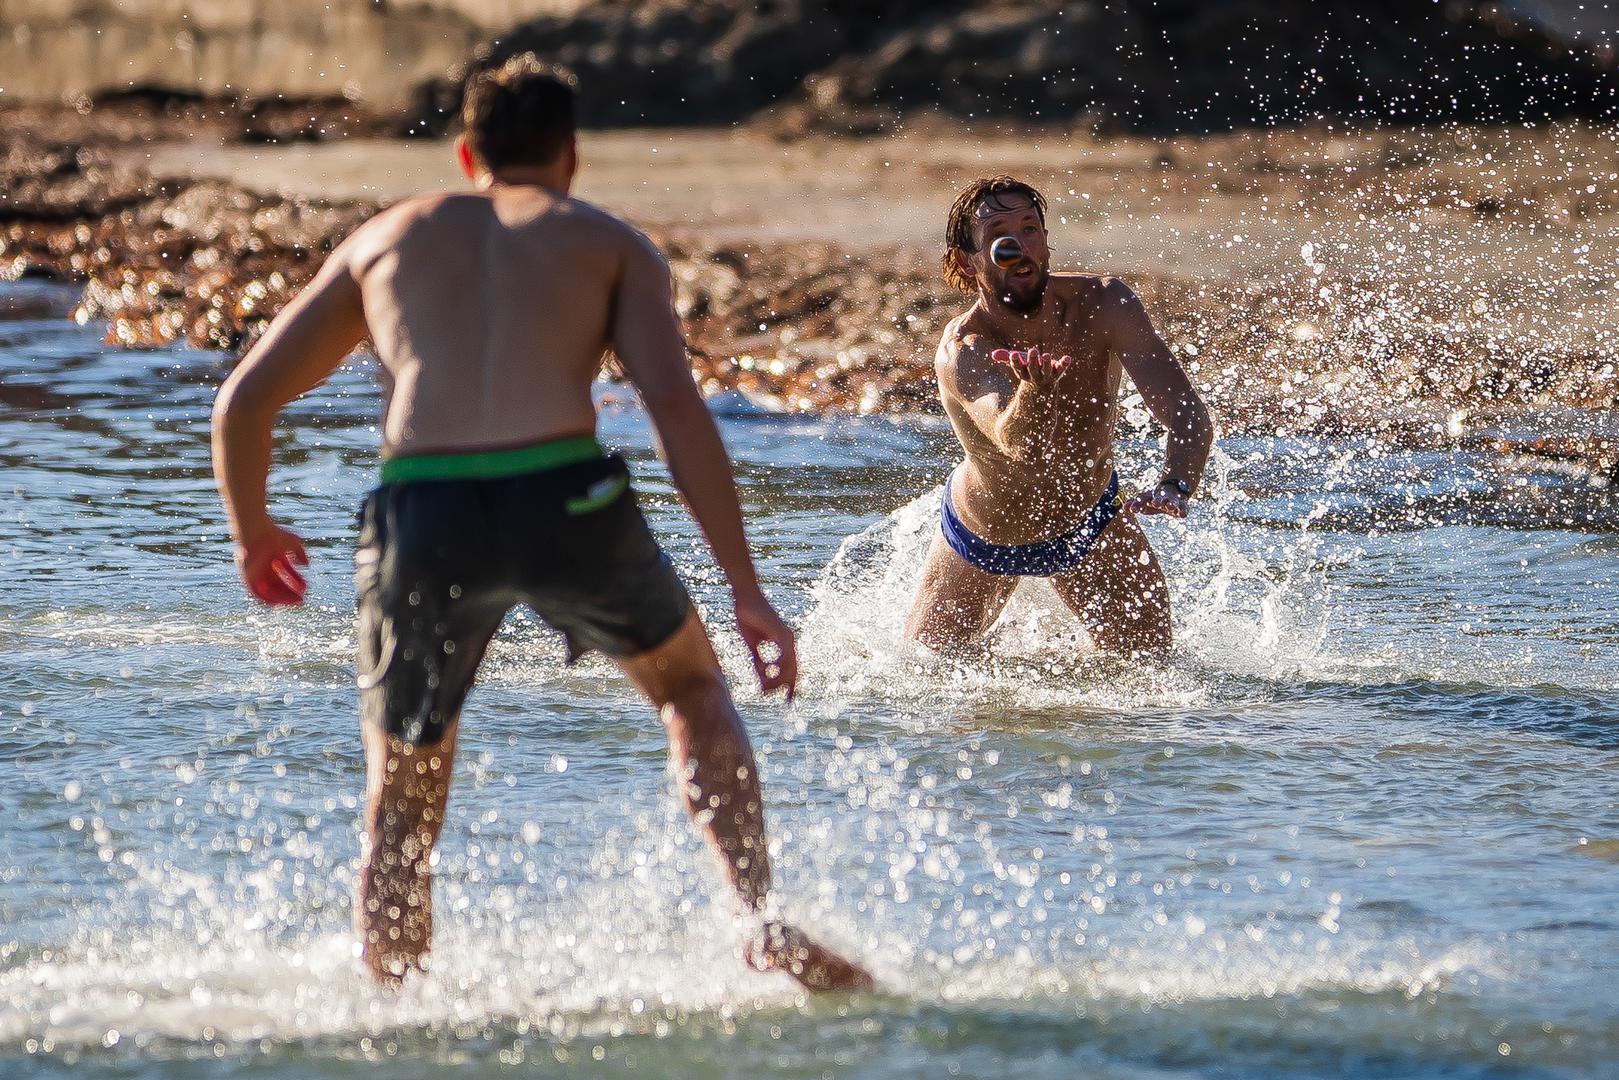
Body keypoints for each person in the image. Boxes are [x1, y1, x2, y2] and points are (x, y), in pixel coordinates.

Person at [210, 54, 870, 992]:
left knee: (403, 792)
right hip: (565, 495)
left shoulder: (385, 240)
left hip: (424, 509)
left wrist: (255, 533)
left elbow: (243, 402)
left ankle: (393, 1005)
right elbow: (676, 411)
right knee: (691, 690)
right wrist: (746, 591)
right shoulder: (606, 244)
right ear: (571, 154)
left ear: (466, 153)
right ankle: (754, 917)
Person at [906, 176, 1214, 653]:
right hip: (986, 535)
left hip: (1091, 518)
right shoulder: (963, 350)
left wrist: (1176, 483)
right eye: (999, 236)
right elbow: (1020, 445)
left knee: (1153, 667)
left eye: (1030, 229)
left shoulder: (1106, 304)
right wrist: (1034, 390)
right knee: (920, 671)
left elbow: (1187, 412)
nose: (1020, 247)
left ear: (1046, 240)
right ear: (967, 261)